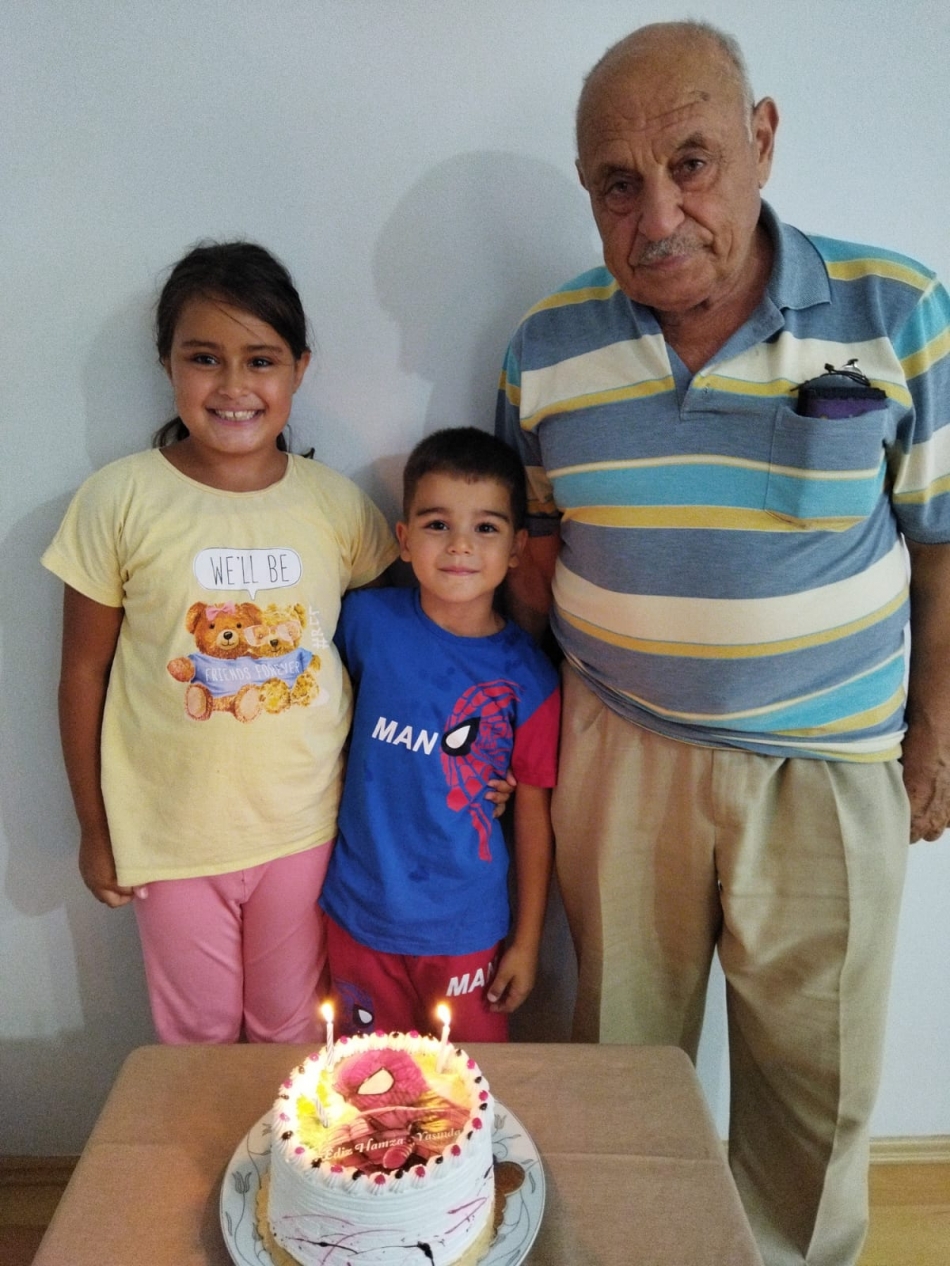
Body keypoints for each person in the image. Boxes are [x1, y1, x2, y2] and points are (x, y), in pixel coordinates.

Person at [496, 20, 950, 1266]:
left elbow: (940, 540)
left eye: (689, 162)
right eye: (616, 184)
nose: (657, 216)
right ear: (585, 188)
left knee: (816, 1082)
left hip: (829, 763)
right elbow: (532, 548)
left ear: (761, 140)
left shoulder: (897, 308)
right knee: (622, 1068)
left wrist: (933, 734)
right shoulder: (545, 345)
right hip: (616, 754)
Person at [42, 241, 400, 1044]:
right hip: (169, 836)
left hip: (308, 829)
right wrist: (94, 830)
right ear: (167, 363)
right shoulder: (118, 500)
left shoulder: (337, 506)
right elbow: (82, 673)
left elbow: (395, 655)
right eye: (205, 358)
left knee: (291, 1031)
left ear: (299, 369)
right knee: (195, 1038)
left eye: (260, 360)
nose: (234, 386)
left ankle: (284, 1138)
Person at [320, 427, 559, 1042]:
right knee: (367, 1081)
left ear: (516, 548)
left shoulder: (530, 678)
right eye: (437, 524)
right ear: (403, 539)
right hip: (357, 912)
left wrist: (527, 941)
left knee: (467, 1083)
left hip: (465, 928)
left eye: (486, 527)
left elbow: (534, 814)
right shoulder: (364, 622)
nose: (460, 545)